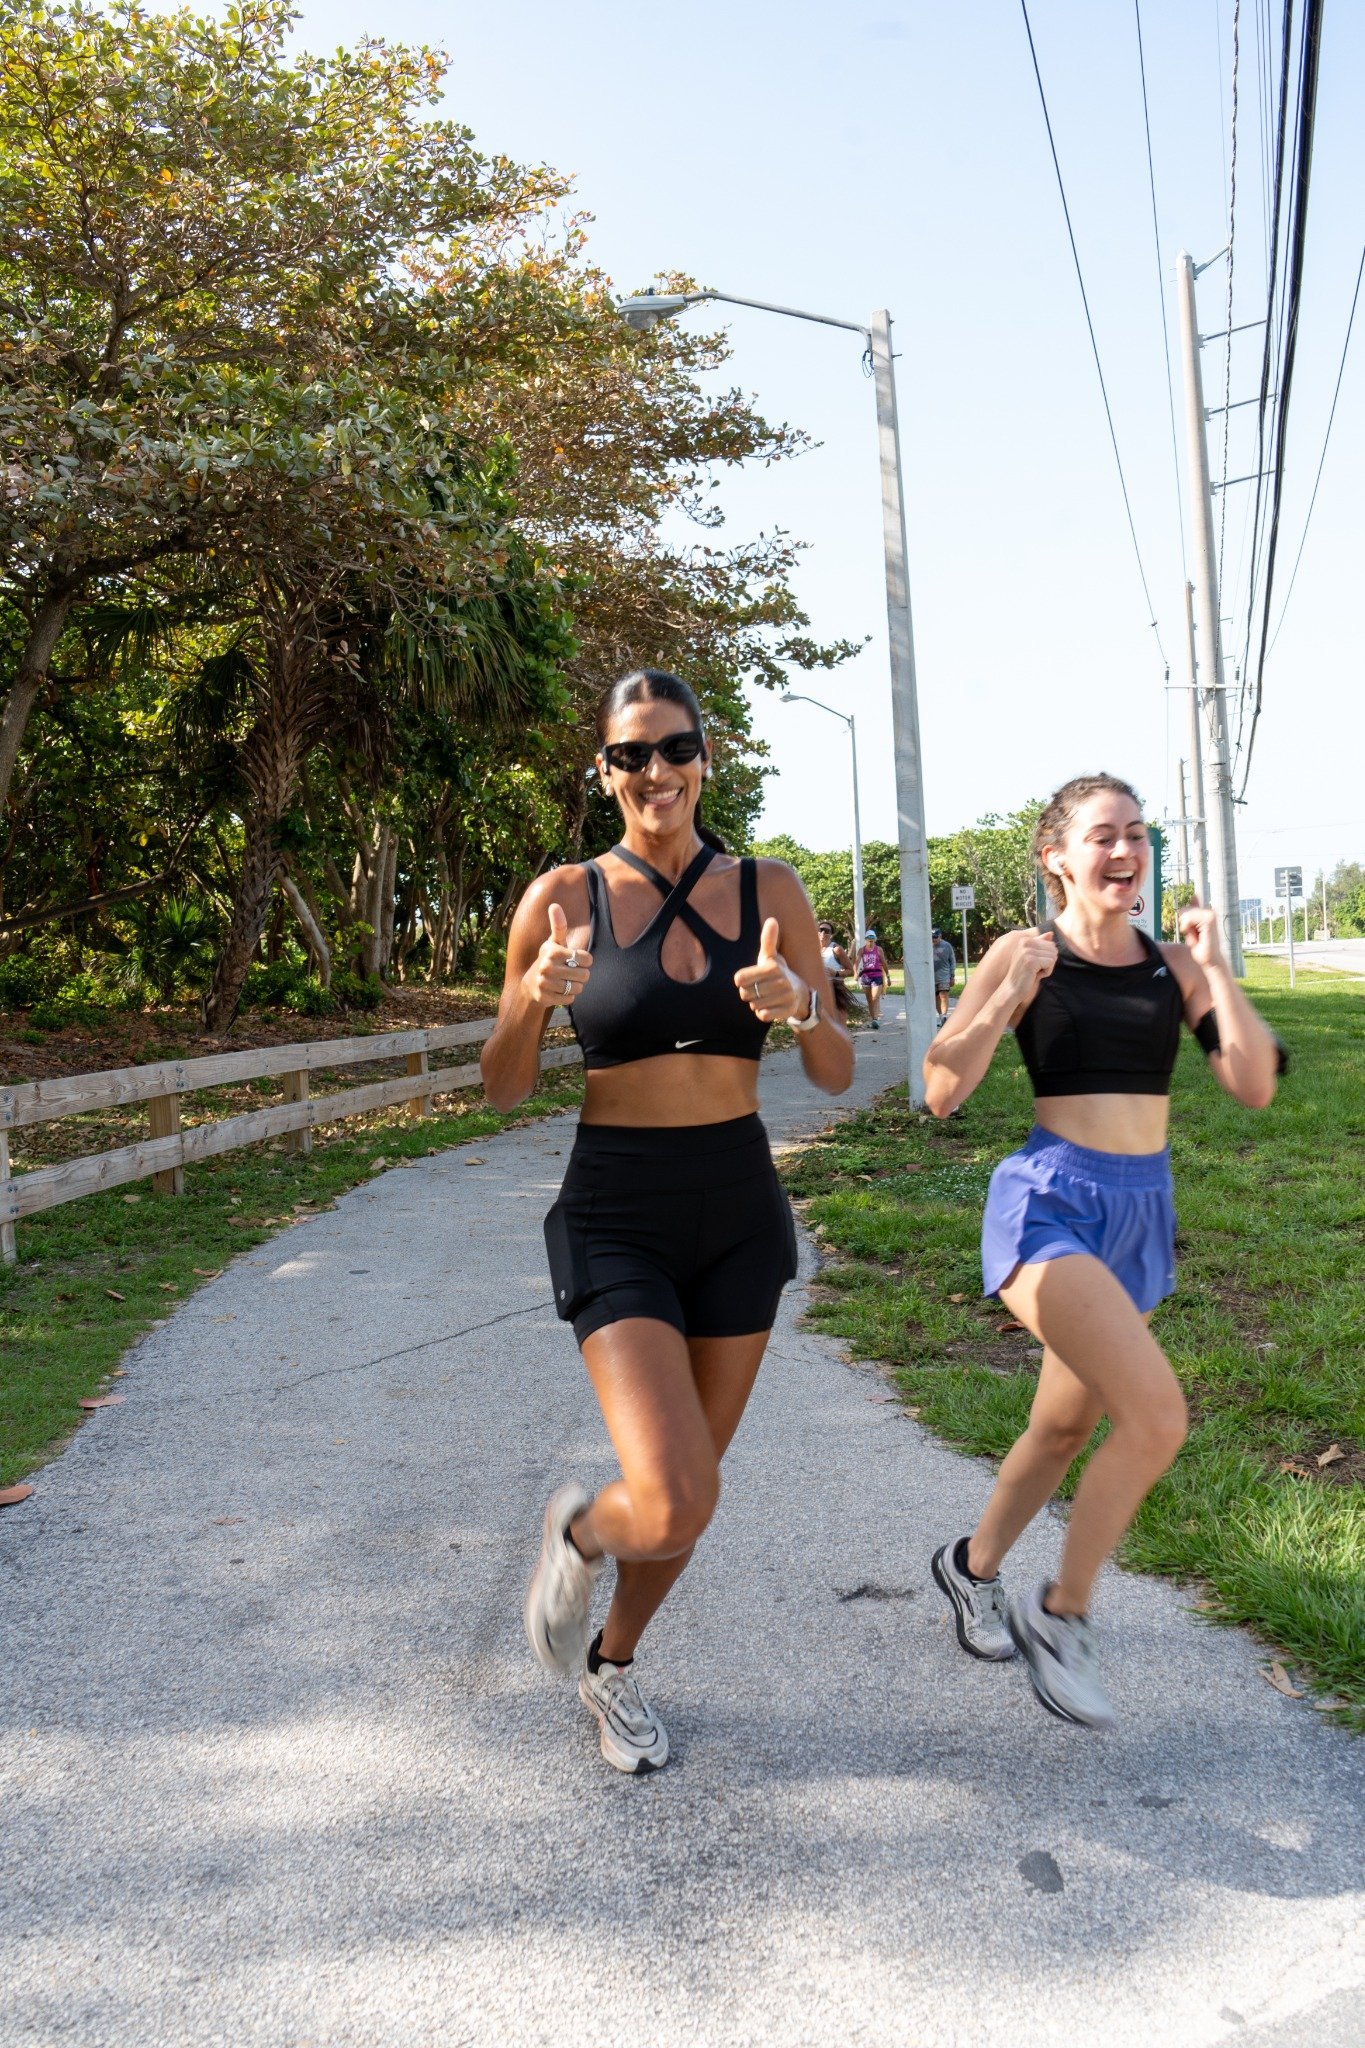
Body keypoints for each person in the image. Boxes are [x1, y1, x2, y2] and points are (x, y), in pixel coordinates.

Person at [481, 667, 854, 1773]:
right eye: (631, 753)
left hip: (740, 1202)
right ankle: (580, 1530)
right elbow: (500, 1088)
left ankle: (612, 1664)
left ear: (706, 758)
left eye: (674, 747)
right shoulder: (561, 896)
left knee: (681, 1505)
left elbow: (834, 1071)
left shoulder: (772, 887)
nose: (657, 771)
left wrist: (804, 1010)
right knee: (679, 1486)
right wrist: (532, 1001)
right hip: (618, 1205)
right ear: (604, 773)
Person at [922, 772, 1281, 1728]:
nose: (1124, 853)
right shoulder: (1022, 950)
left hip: (1139, 1214)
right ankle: (1062, 1615)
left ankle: (969, 1569)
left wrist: (1216, 966)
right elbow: (940, 1091)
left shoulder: (1172, 962)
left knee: (1062, 1430)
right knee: (1156, 1418)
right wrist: (1007, 995)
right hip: (1050, 1202)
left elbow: (1251, 1085)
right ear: (1055, 856)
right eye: (1102, 836)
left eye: (1136, 835)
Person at [818, 920, 853, 1014]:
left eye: (826, 931)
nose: (823, 933)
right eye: (820, 929)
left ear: (831, 934)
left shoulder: (836, 949)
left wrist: (835, 973)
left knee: (838, 1023)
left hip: (836, 991)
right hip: (818, 991)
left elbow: (851, 971)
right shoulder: (812, 949)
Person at [856, 928, 888, 1028]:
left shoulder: (879, 949)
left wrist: (888, 975)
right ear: (865, 939)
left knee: (874, 998)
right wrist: (855, 973)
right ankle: (873, 1019)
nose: (870, 939)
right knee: (869, 1000)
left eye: (872, 937)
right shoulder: (861, 950)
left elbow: (884, 962)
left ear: (875, 939)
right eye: (868, 937)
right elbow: (856, 962)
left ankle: (875, 1019)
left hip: (877, 976)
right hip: (865, 977)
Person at [932, 927, 957, 1025]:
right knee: (936, 998)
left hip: (944, 976)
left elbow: (952, 960)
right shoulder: (927, 945)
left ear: (940, 936)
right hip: (931, 977)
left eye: (935, 937)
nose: (933, 939)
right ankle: (941, 1016)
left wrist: (952, 975)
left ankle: (944, 1016)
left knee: (943, 996)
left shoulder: (947, 946)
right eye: (932, 937)